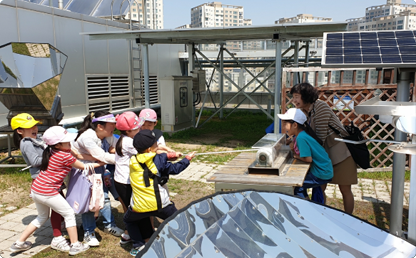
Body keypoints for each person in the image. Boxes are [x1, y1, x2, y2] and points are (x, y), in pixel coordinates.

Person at [10, 126, 102, 255]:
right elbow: (83, 166)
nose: (70, 143)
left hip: (37, 189)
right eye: (67, 142)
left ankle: (19, 243)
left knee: (42, 217)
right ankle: (75, 245)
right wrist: (103, 162)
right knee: (69, 214)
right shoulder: (65, 156)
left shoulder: (50, 151)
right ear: (58, 145)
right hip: (48, 191)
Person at [124, 129, 195, 256]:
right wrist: (187, 159)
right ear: (149, 150)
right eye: (155, 144)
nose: (157, 144)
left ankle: (138, 246)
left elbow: (156, 158)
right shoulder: (158, 161)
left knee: (129, 220)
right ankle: (185, 241)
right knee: (179, 219)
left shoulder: (133, 160)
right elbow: (175, 168)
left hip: (139, 207)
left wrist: (170, 155)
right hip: (161, 205)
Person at [290, 82, 358, 214]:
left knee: (345, 189)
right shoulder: (305, 111)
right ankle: (321, 215)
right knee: (319, 188)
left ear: (306, 95)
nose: (294, 100)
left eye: (297, 96)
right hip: (323, 155)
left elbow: (318, 138)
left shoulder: (319, 107)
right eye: (293, 97)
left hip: (340, 154)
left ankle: (349, 219)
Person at [71, 111, 124, 247]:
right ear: (100, 126)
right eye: (111, 125)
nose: (114, 127)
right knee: (90, 202)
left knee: (103, 198)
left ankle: (109, 225)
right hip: (85, 172)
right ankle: (89, 232)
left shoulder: (108, 135)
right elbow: (102, 156)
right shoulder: (87, 137)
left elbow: (120, 146)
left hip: (99, 169)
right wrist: (125, 160)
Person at [278, 108, 333, 199]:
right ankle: (314, 205)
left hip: (320, 172)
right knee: (308, 186)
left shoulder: (301, 138)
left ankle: (305, 206)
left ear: (295, 125)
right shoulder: (301, 135)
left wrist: (296, 156)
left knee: (297, 186)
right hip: (325, 169)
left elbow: (308, 159)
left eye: (285, 124)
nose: (284, 127)